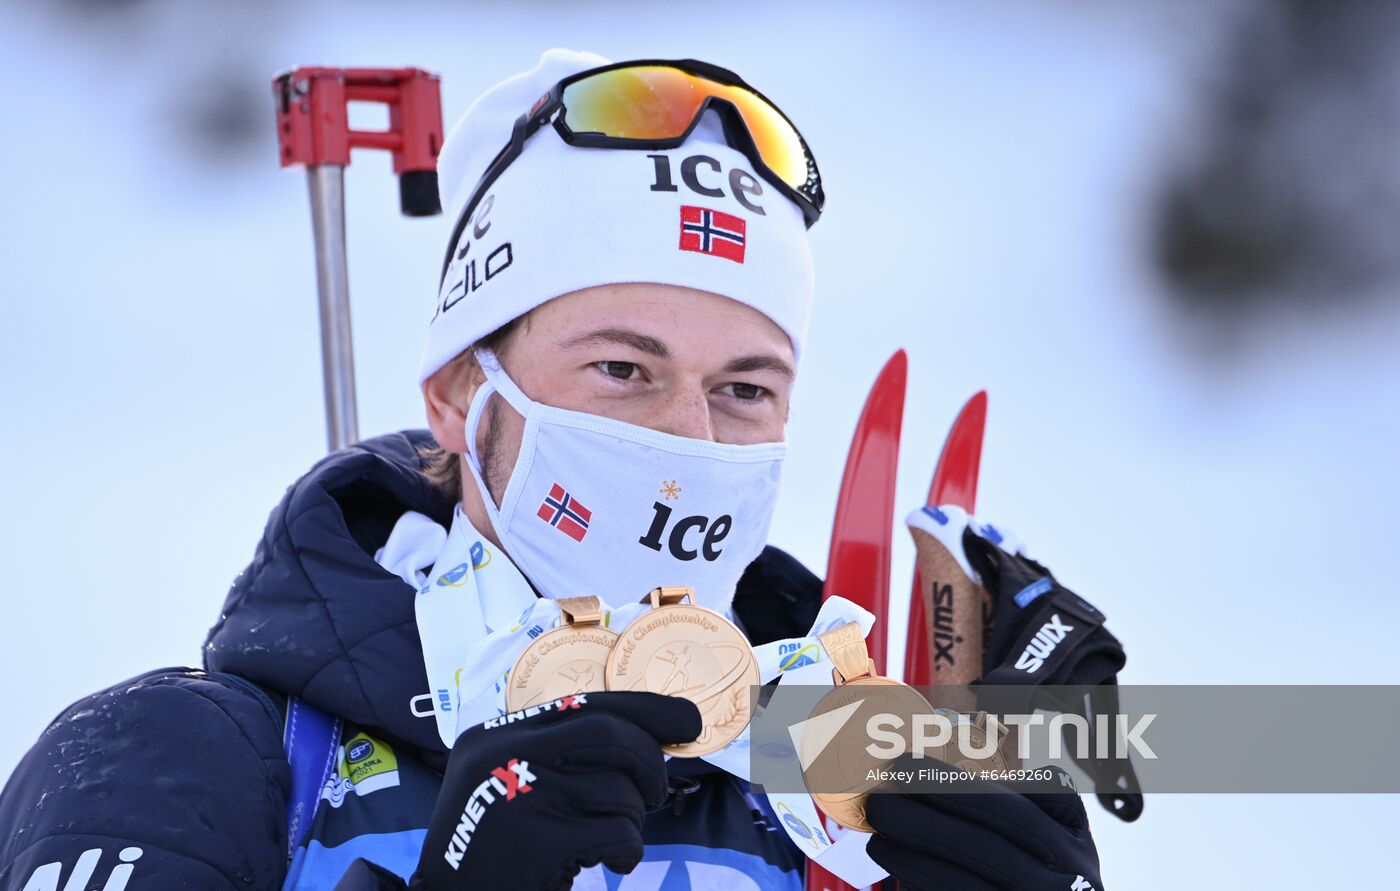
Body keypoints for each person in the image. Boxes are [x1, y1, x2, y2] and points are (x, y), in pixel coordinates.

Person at [0, 50, 1112, 891]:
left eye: (743, 389)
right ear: (457, 392)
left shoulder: (834, 785)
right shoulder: (172, 763)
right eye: (623, 369)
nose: (689, 440)